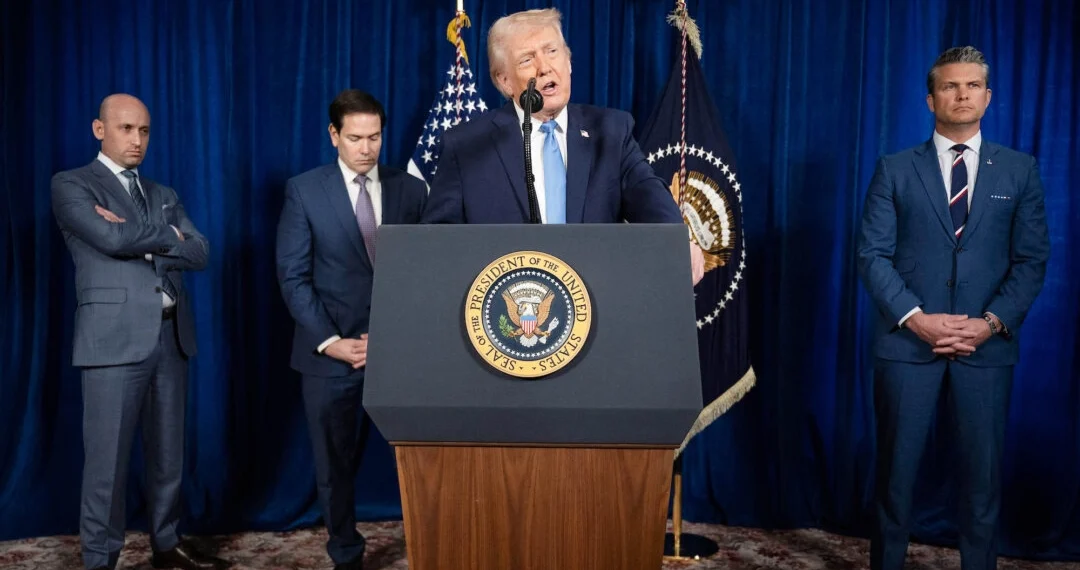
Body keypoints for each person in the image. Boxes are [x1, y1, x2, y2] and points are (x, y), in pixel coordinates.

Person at [856, 46, 1050, 570]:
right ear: (930, 97)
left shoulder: (1019, 170)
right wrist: (916, 318)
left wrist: (988, 325)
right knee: (895, 482)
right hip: (906, 346)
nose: (961, 94)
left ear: (988, 96)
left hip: (985, 350)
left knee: (982, 486)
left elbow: (1031, 260)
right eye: (949, 86)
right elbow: (872, 254)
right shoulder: (894, 169)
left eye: (972, 86)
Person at [51, 94, 227, 570]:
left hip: (171, 338)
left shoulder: (163, 192)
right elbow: (108, 238)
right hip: (112, 341)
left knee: (169, 455)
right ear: (98, 129)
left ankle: (166, 545)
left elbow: (202, 252)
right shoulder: (71, 185)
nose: (137, 140)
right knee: (106, 463)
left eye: (144, 131)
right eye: (126, 129)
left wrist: (146, 236)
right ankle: (99, 558)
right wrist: (170, 235)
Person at [421, 7, 704, 284]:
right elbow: (436, 244)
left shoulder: (611, 132)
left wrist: (679, 241)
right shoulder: (467, 145)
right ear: (505, 81)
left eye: (552, 51)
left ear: (568, 63)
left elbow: (652, 203)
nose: (545, 68)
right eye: (526, 60)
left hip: (594, 305)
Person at [275, 89, 427, 570]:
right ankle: (346, 554)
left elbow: (427, 274)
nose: (367, 148)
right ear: (334, 135)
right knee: (334, 467)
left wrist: (395, 340)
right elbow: (293, 277)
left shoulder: (411, 189)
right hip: (331, 357)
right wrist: (333, 343)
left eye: (376, 137)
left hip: (399, 353)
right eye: (356, 138)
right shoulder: (304, 190)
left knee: (423, 461)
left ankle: (433, 544)